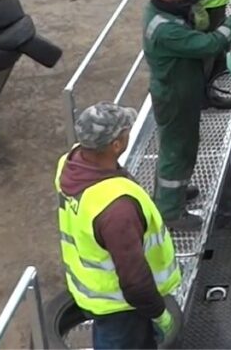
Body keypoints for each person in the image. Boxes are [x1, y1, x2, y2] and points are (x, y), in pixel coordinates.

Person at [55, 102, 180, 349]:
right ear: (116, 145)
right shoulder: (116, 208)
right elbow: (134, 280)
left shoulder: (69, 164)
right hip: (121, 306)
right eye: (126, 130)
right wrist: (161, 315)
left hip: (93, 292)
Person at [140, 0, 231, 229]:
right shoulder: (165, 28)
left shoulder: (170, 2)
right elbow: (210, 44)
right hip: (175, 96)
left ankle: (171, 195)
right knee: (177, 151)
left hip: (183, 88)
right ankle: (170, 213)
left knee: (179, 148)